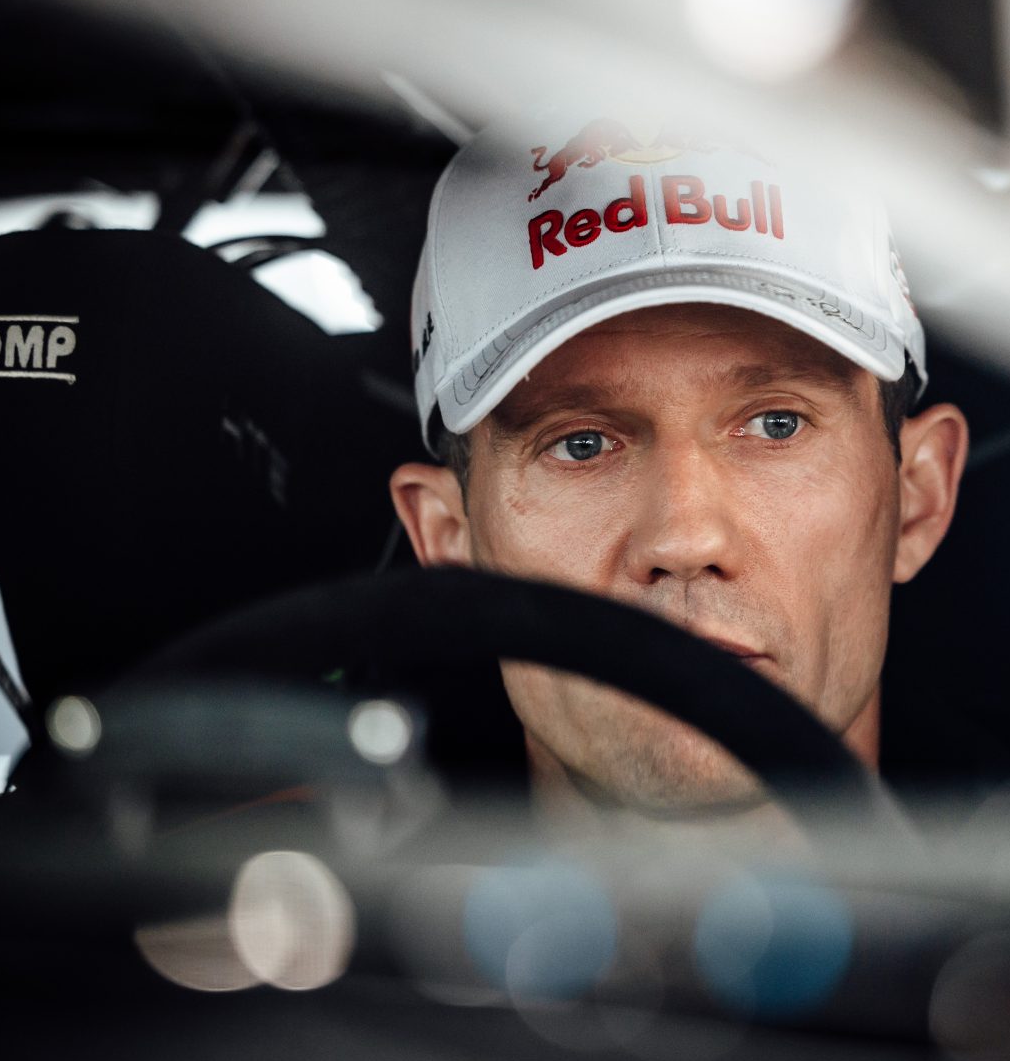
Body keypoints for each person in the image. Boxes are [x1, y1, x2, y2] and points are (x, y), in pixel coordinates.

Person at [387, 110, 969, 847]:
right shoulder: (288, 912)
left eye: (777, 425)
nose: (686, 540)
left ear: (917, 498)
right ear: (451, 544)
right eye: (582, 445)